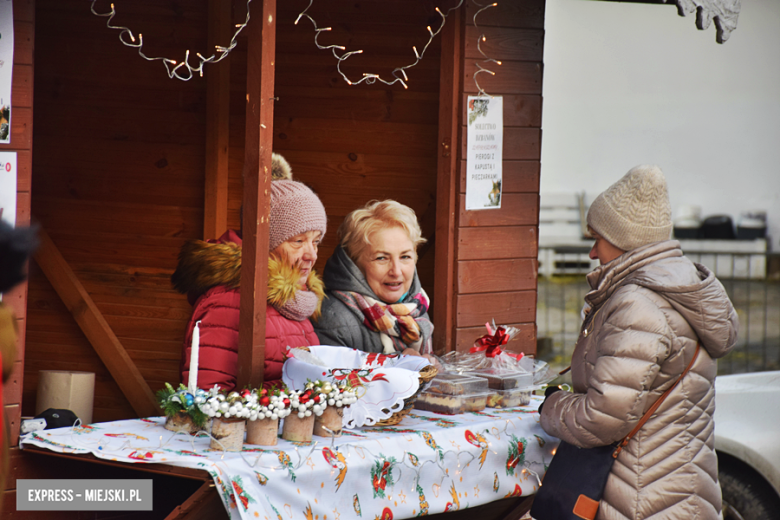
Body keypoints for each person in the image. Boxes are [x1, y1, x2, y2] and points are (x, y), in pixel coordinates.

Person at [537, 165, 738, 519]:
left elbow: (602, 417)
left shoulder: (638, 305)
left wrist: (552, 405)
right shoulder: (679, 289)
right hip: (680, 489)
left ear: (622, 240)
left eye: (595, 239)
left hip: (643, 499)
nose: (592, 253)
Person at [172, 154, 327, 391]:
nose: (311, 254)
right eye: (298, 241)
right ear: (265, 241)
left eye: (316, 242)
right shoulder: (229, 301)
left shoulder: (296, 300)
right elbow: (208, 398)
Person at [314, 200, 434, 361]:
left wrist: (435, 366)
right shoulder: (334, 318)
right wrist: (397, 365)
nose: (396, 271)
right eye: (381, 258)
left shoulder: (415, 307)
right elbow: (330, 382)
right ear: (355, 265)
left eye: (405, 256)